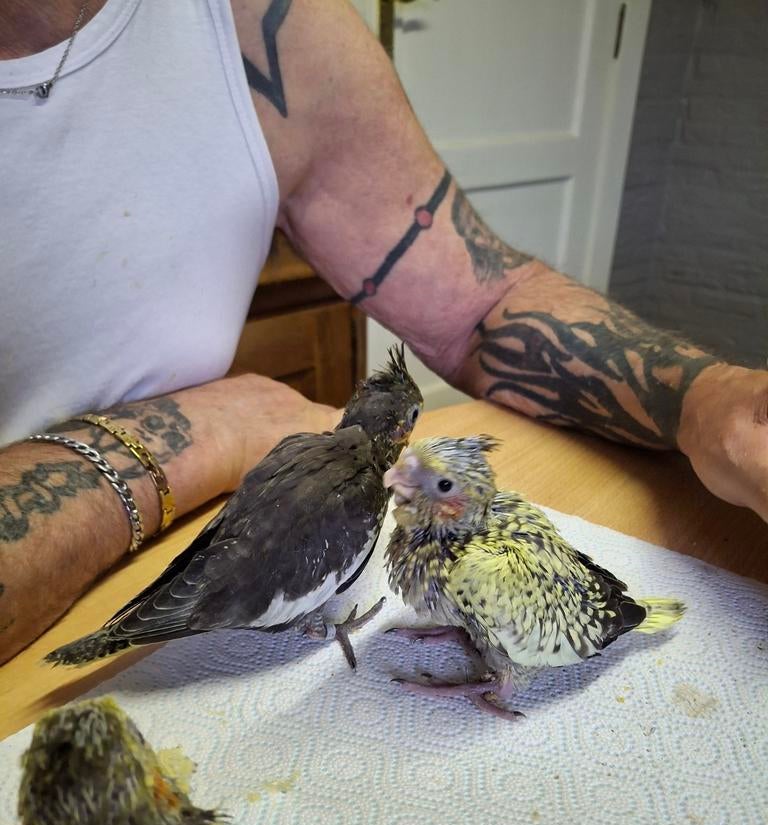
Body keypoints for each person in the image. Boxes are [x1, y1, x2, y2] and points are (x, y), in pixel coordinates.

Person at [0, 0, 766, 668]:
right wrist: (197, 430)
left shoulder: (263, 25)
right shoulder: (361, 498)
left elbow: (483, 300)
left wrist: (707, 402)